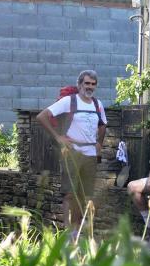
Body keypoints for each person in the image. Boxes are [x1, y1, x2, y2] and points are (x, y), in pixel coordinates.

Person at [36, 70, 107, 235]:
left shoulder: (98, 104)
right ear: (80, 84)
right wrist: (59, 137)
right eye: (87, 83)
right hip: (72, 152)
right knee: (70, 193)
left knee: (84, 194)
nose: (90, 87)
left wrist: (99, 144)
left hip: (90, 154)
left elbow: (103, 125)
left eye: (93, 84)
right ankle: (69, 233)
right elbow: (42, 116)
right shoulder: (69, 101)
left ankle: (77, 231)